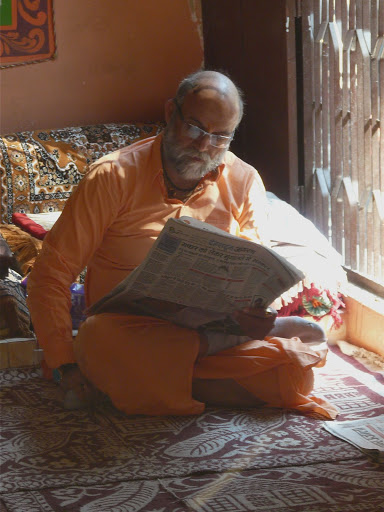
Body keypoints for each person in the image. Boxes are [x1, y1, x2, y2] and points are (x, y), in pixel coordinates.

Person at [27, 70, 337, 418]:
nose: (204, 146)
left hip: (213, 333)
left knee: (302, 357)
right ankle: (192, 378)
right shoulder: (112, 177)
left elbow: (255, 277)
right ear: (170, 112)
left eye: (220, 137)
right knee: (97, 339)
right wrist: (65, 366)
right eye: (194, 128)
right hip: (135, 334)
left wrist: (256, 316)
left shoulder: (243, 179)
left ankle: (162, 381)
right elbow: (50, 275)